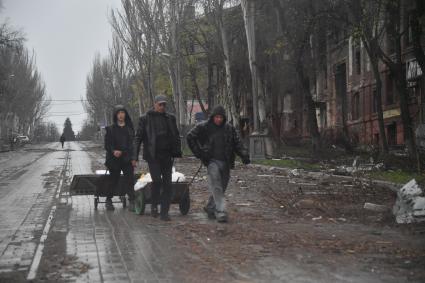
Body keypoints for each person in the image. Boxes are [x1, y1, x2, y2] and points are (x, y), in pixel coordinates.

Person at [187, 105, 250, 223]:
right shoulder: (204, 127)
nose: (219, 119)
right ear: (212, 117)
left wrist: (244, 155)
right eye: (216, 117)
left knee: (222, 187)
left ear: (224, 118)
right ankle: (220, 211)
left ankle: (210, 207)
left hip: (226, 162)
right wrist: (199, 153)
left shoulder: (229, 129)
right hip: (211, 161)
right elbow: (190, 137)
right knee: (216, 185)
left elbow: (237, 143)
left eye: (221, 117)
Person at [132, 95, 182, 221]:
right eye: (160, 104)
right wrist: (134, 156)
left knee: (167, 184)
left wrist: (177, 151)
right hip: (153, 156)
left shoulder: (170, 118)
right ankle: (154, 205)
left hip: (167, 156)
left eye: (164, 104)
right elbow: (138, 138)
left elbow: (175, 135)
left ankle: (164, 212)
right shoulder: (145, 119)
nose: (162, 107)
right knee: (157, 181)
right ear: (154, 104)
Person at [104, 105, 136, 211]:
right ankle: (108, 200)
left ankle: (132, 200)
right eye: (119, 113)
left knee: (130, 180)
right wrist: (113, 151)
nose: (121, 115)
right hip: (114, 159)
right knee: (113, 180)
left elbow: (133, 145)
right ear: (116, 115)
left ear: (125, 114)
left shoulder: (130, 129)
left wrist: (133, 158)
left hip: (127, 158)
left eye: (123, 112)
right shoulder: (110, 129)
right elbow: (107, 145)